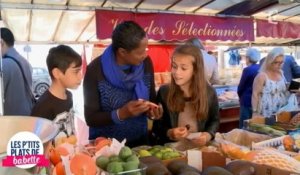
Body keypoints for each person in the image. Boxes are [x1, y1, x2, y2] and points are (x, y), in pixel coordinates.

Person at [83, 21, 162, 147]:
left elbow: (151, 99)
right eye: (140, 52)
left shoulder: (146, 63)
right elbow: (91, 118)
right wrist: (121, 113)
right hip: (106, 148)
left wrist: (153, 112)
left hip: (140, 144)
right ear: (122, 52)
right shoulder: (95, 70)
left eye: (145, 49)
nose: (145, 55)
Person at [151, 44, 220, 146]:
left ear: (195, 70)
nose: (176, 72)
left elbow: (214, 121)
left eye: (183, 68)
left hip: (199, 150)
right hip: (172, 152)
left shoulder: (209, 92)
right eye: (174, 66)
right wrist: (170, 133)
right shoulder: (164, 92)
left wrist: (207, 135)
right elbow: (157, 127)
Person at [31, 45, 82, 131]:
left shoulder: (69, 95)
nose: (80, 77)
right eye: (76, 71)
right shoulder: (43, 107)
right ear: (57, 73)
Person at [0, 27, 33, 115]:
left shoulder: (3, 64)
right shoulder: (25, 62)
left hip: (11, 121)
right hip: (27, 116)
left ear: (1, 42)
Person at [252, 47, 289, 118]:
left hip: (281, 111)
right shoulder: (262, 76)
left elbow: (282, 90)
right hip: (266, 113)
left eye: (281, 62)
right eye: (276, 62)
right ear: (270, 61)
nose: (279, 65)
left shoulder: (281, 73)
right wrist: (255, 112)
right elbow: (255, 94)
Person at [237, 48, 260, 128]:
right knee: (255, 126)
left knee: (244, 125)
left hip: (246, 101)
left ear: (248, 58)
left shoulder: (247, 70)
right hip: (258, 102)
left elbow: (240, 87)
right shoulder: (261, 68)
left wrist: (240, 97)